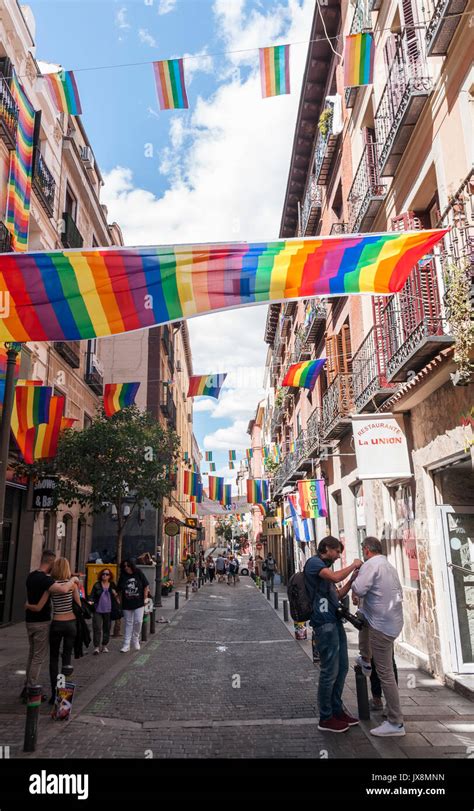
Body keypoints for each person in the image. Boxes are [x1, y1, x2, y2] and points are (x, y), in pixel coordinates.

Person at [304, 536, 363, 733]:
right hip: (324, 624)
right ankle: (326, 717)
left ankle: (338, 711)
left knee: (343, 668)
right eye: (337, 551)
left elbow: (336, 595)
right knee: (329, 671)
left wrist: (352, 580)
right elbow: (336, 577)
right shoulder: (314, 564)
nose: (338, 556)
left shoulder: (325, 572)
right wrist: (354, 564)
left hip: (335, 621)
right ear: (327, 548)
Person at [351, 536, 405, 737]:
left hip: (382, 626)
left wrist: (354, 581)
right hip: (391, 623)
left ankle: (395, 722)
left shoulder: (370, 565)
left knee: (385, 673)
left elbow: (358, 588)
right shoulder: (388, 565)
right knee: (362, 615)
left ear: (366, 550)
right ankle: (365, 659)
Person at [22, 550, 77, 702]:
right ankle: (31, 689)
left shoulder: (31, 576)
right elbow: (64, 590)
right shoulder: (46, 581)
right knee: (39, 657)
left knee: (33, 655)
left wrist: (28, 606)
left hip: (30, 622)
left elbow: (33, 602)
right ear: (52, 563)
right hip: (43, 623)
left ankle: (28, 686)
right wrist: (73, 580)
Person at [117, 560, 150, 653]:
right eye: (124, 566)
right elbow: (119, 588)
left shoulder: (138, 573)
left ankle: (135, 639)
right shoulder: (123, 576)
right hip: (127, 603)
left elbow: (146, 585)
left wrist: (145, 598)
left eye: (128, 565)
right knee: (128, 623)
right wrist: (118, 599)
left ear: (132, 566)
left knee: (138, 621)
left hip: (139, 602)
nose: (126, 567)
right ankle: (126, 644)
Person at [88, 568, 119, 655]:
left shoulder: (112, 585)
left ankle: (104, 645)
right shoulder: (97, 585)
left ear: (110, 576)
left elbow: (117, 596)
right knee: (97, 627)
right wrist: (91, 602)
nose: (104, 576)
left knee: (107, 628)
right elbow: (92, 596)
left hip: (108, 610)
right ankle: (96, 647)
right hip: (98, 609)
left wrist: (115, 594)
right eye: (103, 574)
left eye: (107, 574)